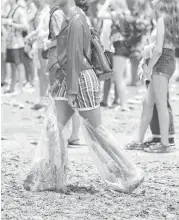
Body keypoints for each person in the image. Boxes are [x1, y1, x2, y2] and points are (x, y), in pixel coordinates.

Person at [32, 0, 144, 193]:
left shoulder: (76, 19)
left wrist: (73, 90)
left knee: (97, 132)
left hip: (80, 78)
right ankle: (56, 178)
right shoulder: (71, 17)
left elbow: (76, 57)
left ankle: (131, 172)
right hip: (70, 76)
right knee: (54, 126)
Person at [126, 0, 179, 153]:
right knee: (147, 103)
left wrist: (148, 68)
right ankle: (139, 140)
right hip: (166, 60)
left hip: (160, 62)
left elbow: (158, 50)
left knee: (160, 104)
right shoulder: (172, 20)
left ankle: (165, 143)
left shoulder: (162, 20)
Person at [25, 0, 50, 110]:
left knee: (45, 73)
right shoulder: (40, 10)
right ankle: (41, 97)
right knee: (40, 73)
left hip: (45, 44)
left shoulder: (47, 10)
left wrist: (33, 34)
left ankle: (46, 98)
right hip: (38, 44)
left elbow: (45, 28)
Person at [3, 0, 28, 94]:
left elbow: (25, 26)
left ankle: (20, 87)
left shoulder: (19, 10)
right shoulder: (10, 9)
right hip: (10, 42)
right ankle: (12, 87)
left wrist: (11, 24)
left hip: (17, 43)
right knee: (12, 65)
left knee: (18, 65)